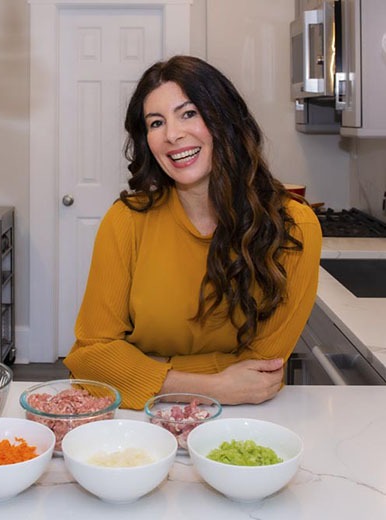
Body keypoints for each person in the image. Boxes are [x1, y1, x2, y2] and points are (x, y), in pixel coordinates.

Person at [63, 55, 322, 410]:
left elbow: (262, 369)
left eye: (189, 114)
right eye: (156, 123)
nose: (171, 134)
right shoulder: (125, 220)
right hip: (140, 421)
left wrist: (137, 366)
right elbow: (90, 358)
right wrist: (214, 385)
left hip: (244, 419)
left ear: (225, 119)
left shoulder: (294, 227)